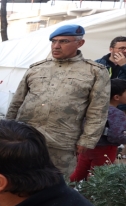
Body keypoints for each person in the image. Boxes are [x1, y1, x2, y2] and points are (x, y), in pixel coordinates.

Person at [6, 24, 110, 177]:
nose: (56, 46)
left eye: (63, 41)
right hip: (25, 137)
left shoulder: (94, 72)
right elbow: (17, 102)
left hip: (62, 141)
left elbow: (98, 111)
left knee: (55, 183)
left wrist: (87, 140)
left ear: (80, 43)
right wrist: (6, 129)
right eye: (53, 42)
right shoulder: (36, 68)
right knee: (19, 179)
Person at [70, 79, 126, 181]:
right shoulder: (117, 114)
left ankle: (66, 191)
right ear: (117, 97)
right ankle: (89, 196)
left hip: (86, 147)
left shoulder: (93, 108)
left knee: (79, 173)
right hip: (105, 149)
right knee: (98, 178)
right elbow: (116, 135)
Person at [96, 36, 126, 111]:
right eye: (122, 48)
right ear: (111, 49)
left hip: (123, 107)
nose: (125, 51)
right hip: (101, 106)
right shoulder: (98, 63)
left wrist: (124, 65)